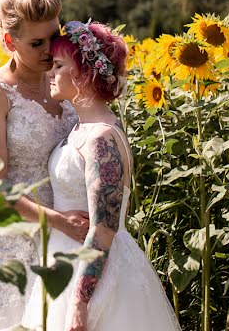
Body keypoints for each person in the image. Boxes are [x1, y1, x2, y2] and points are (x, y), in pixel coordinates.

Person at [21, 20, 180, 331]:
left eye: (59, 65)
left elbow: (105, 228)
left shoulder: (100, 139)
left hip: (94, 276)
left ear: (84, 73)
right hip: (64, 259)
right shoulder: (84, 128)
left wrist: (80, 304)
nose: (50, 72)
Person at [0, 0, 88, 331]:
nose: (51, 50)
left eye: (55, 36)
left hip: (66, 233)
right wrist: (59, 220)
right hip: (13, 237)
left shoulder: (65, 80)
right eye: (37, 43)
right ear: (9, 42)